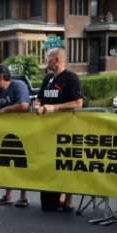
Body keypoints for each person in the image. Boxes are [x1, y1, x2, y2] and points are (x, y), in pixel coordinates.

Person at [33, 48, 83, 212]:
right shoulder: (48, 78)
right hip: (47, 131)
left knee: (65, 164)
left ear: (56, 59)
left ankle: (67, 199)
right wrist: (37, 105)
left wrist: (54, 108)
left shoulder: (71, 78)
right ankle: (55, 199)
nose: (45, 61)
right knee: (49, 164)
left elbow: (78, 103)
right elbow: (40, 98)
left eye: (47, 58)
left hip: (65, 130)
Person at [0, 64, 33, 208]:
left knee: (20, 164)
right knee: (6, 163)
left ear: (0, 77)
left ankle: (23, 196)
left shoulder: (18, 85)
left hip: (22, 132)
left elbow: (24, 105)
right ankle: (8, 194)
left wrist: (5, 110)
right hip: (3, 134)